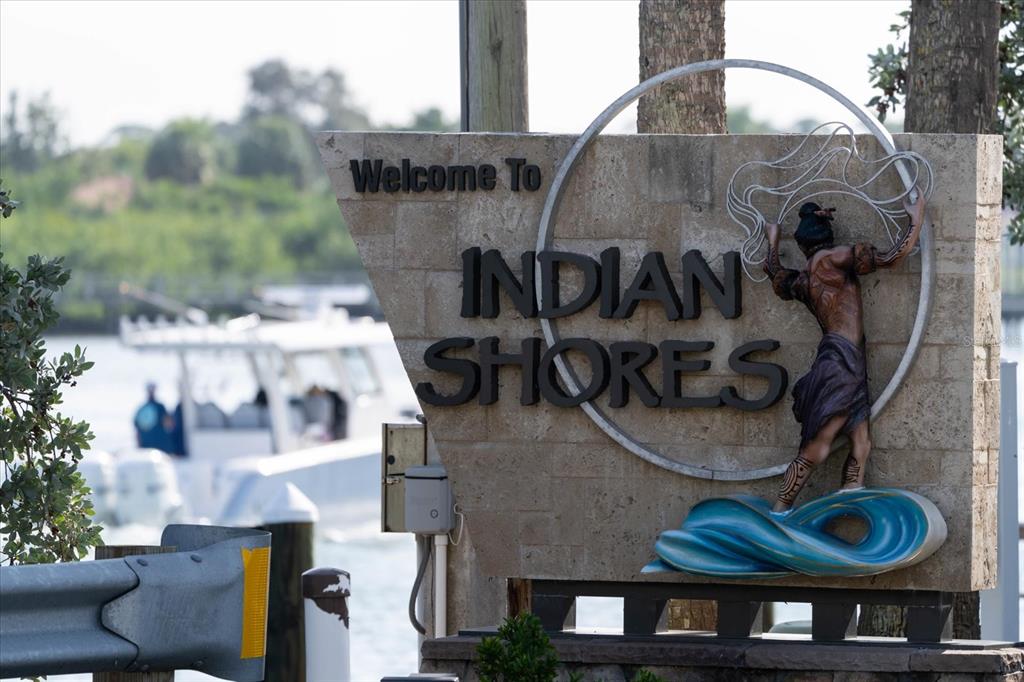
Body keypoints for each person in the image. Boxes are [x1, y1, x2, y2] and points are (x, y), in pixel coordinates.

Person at [763, 193, 926, 512]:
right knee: (819, 446)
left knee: (861, 442)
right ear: (827, 236)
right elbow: (892, 257)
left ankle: (850, 489)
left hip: (845, 358)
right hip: (841, 362)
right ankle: (780, 507)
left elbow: (773, 271)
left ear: (802, 244)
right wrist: (915, 219)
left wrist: (772, 239)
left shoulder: (804, 278)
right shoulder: (834, 258)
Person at [133, 382, 172, 452]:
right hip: (155, 445)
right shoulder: (159, 407)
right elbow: (169, 424)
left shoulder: (143, 408)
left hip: (152, 445)